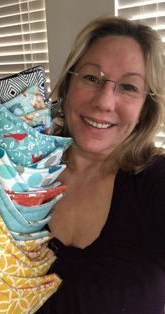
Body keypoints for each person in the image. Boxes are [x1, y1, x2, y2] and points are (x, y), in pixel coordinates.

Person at [36, 16, 165, 314]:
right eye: (92, 78)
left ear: (146, 106)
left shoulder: (154, 179)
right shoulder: (20, 170)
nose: (105, 102)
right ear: (69, 83)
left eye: (129, 87)